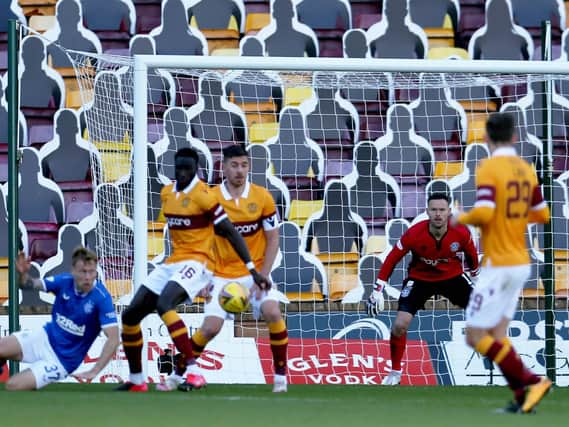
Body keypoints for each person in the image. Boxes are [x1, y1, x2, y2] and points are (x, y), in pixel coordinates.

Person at [116, 147, 269, 392]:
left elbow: (230, 232)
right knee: (130, 316)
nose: (183, 173)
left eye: (188, 168)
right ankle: (136, 381)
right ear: (174, 168)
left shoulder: (205, 196)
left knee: (165, 304)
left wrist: (252, 270)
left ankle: (193, 371)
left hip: (199, 263)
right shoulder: (167, 193)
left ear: (196, 169)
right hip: (173, 261)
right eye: (179, 168)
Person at [451, 112, 551, 413]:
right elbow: (542, 214)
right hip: (521, 260)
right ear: (515, 137)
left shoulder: (489, 167)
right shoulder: (525, 168)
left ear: (485, 138)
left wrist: (461, 218)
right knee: (497, 335)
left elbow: (484, 212)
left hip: (499, 263)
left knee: (474, 336)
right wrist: (514, 219)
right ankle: (523, 397)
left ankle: (533, 381)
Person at [367, 192, 479, 385]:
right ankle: (395, 373)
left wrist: (477, 278)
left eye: (442, 210)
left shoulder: (461, 233)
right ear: (427, 211)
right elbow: (392, 259)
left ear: (449, 212)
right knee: (399, 325)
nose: (438, 214)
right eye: (434, 209)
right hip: (420, 279)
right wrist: (378, 289)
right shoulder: (414, 234)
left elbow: (472, 256)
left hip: (452, 277)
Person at [0, 247, 119, 391]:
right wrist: (23, 274)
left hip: (61, 360)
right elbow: (28, 284)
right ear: (73, 271)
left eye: (91, 272)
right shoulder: (64, 281)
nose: (88, 277)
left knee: (12, 386)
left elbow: (113, 338)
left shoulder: (101, 297)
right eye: (83, 272)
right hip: (44, 338)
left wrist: (95, 370)